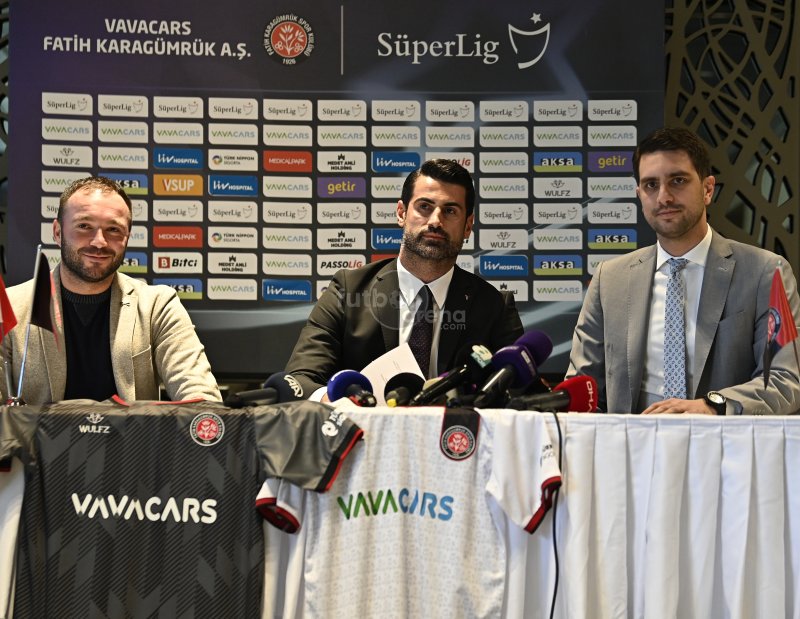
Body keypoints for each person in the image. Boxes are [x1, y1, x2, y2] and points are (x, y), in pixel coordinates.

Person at [567, 127, 800, 415]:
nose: (663, 197)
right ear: (639, 195)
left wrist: (710, 407)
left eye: (677, 181)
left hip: (724, 442)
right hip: (633, 443)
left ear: (707, 189)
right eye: (651, 185)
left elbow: (784, 381)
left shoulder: (766, 273)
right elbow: (583, 391)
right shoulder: (610, 280)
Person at [286, 159, 524, 399]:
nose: (435, 221)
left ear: (467, 226)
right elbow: (300, 379)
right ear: (401, 213)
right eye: (424, 206)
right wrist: (340, 404)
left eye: (450, 211)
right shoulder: (348, 290)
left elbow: (521, 394)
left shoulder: (494, 307)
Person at [2, 176, 221, 404]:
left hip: (134, 431)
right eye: (84, 226)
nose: (99, 242)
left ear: (127, 237)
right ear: (57, 232)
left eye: (113, 229)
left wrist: (203, 415)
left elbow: (200, 395)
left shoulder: (157, 306)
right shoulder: (10, 307)